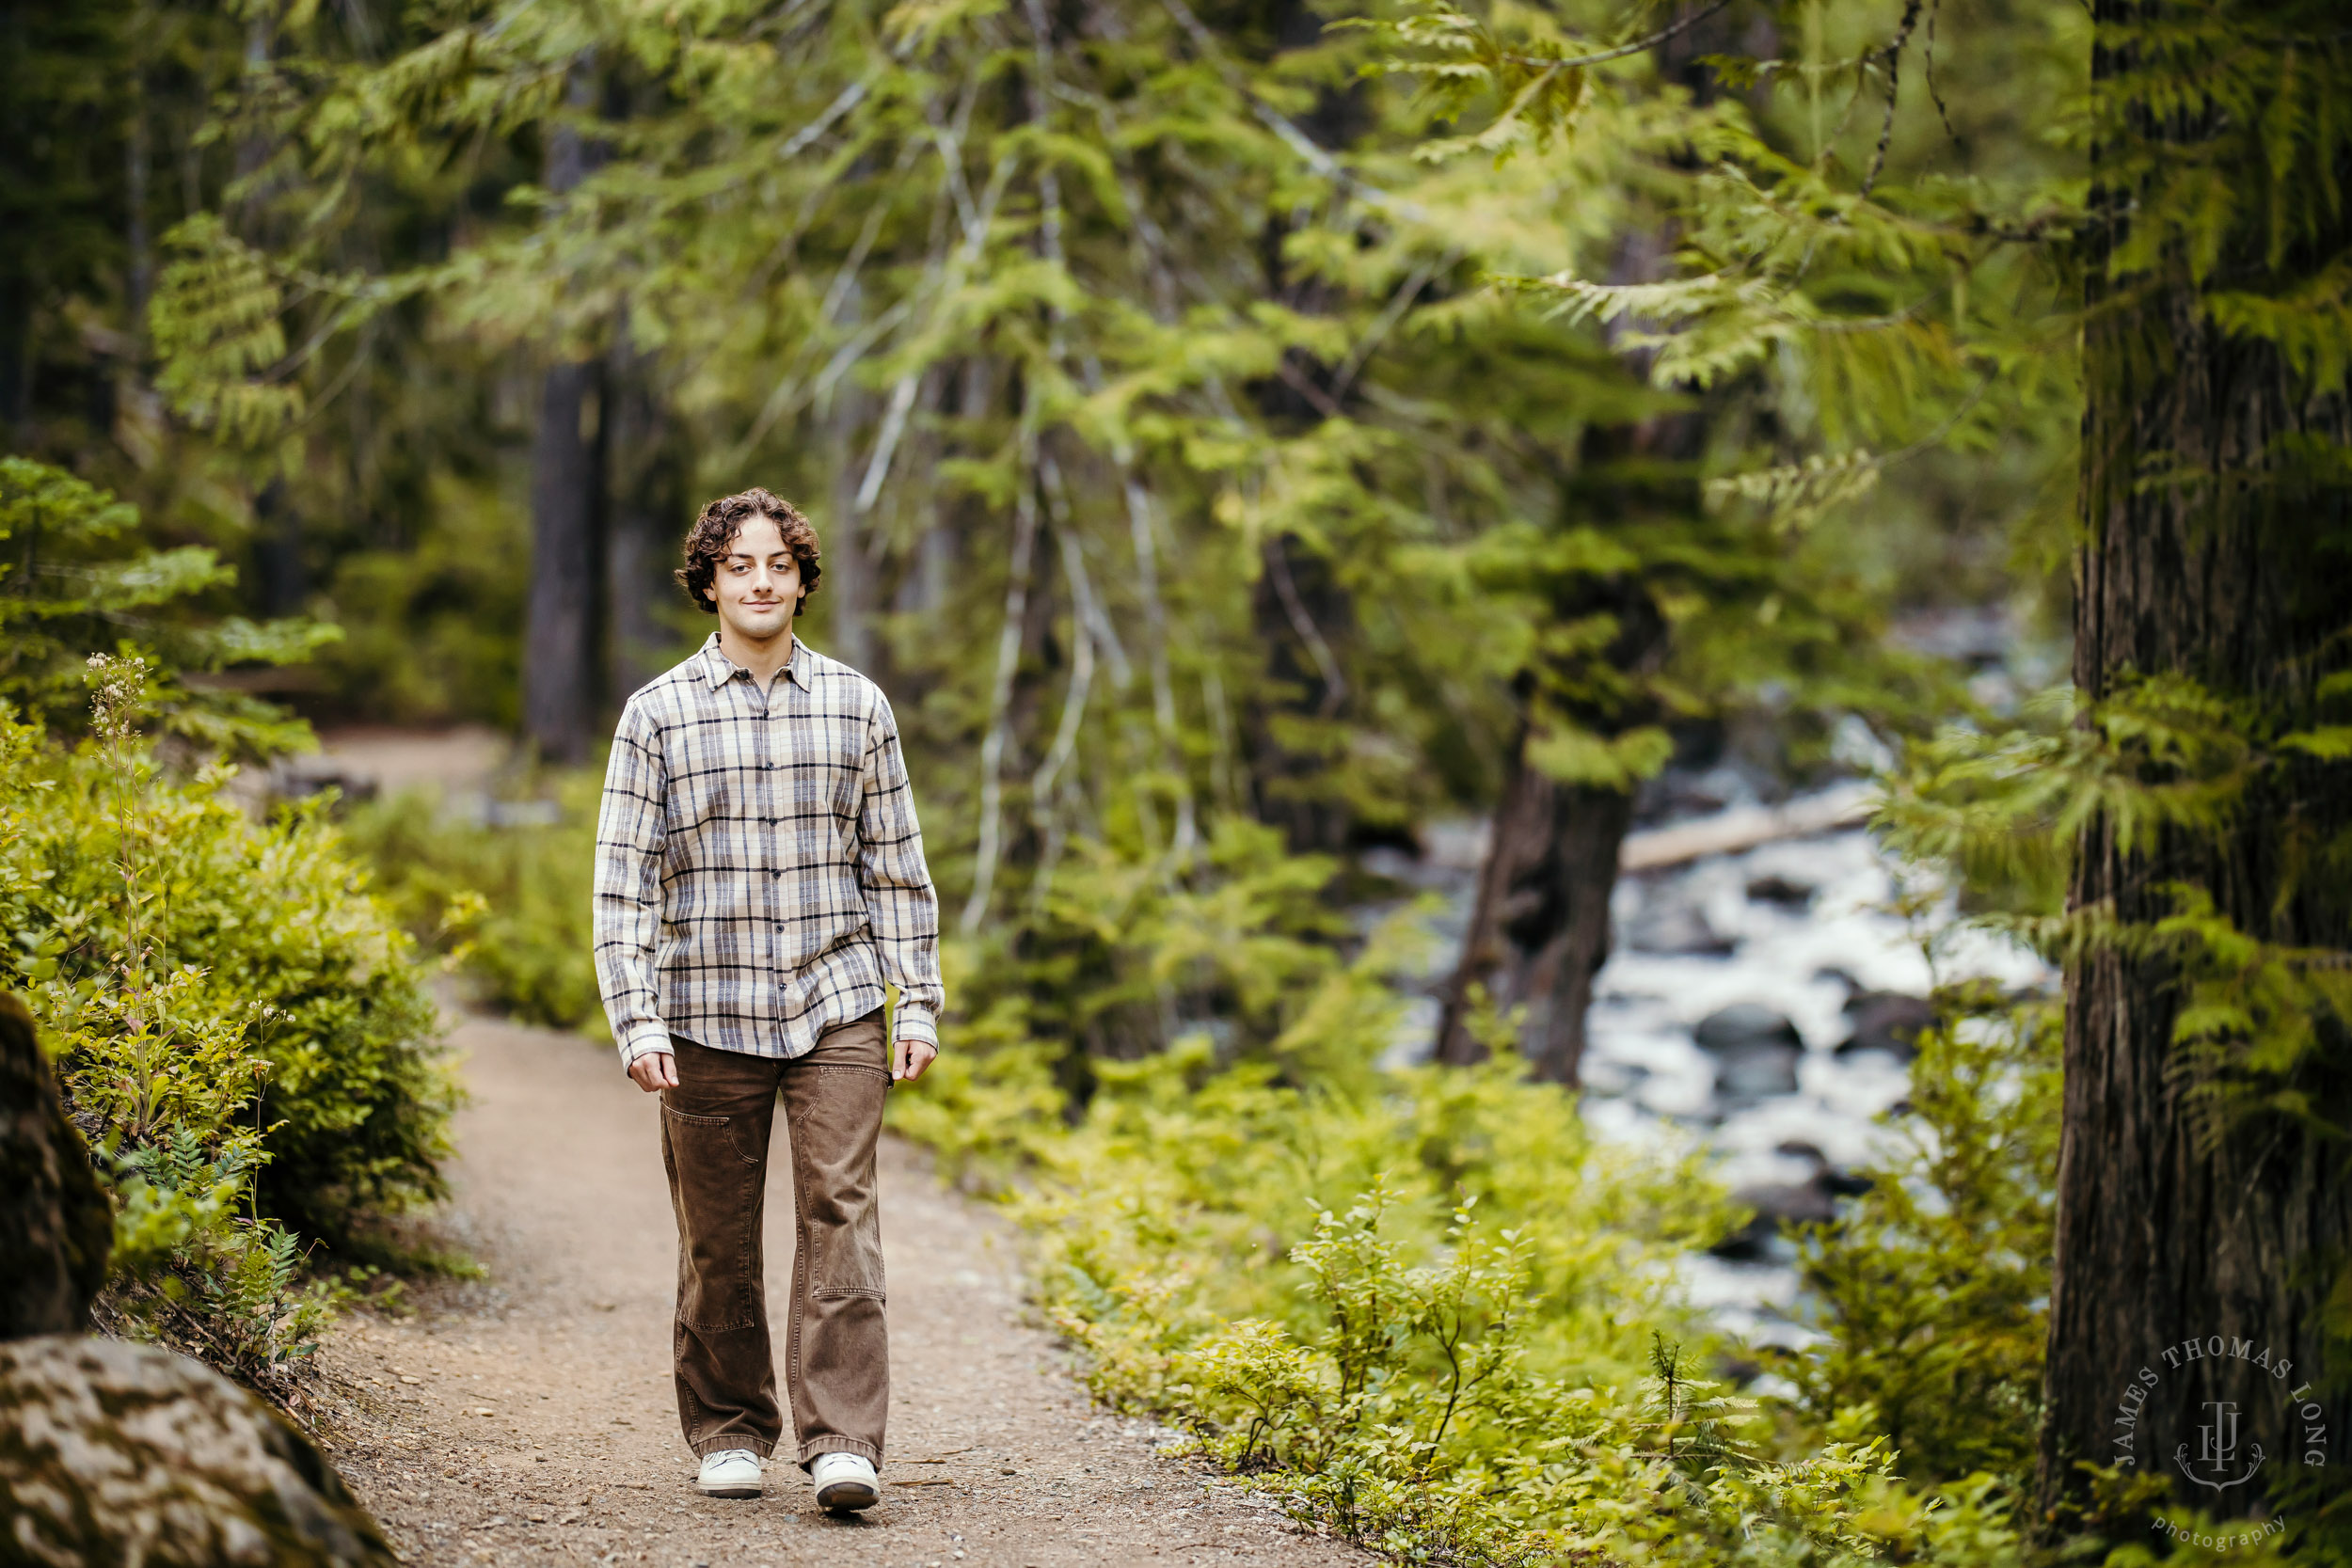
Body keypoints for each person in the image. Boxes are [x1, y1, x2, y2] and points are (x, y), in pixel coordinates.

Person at [592, 487, 942, 1512]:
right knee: (717, 1231)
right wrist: (637, 1014)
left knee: (841, 1214)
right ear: (707, 579)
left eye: (778, 564)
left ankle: (843, 1440)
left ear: (801, 580)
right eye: (739, 564)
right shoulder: (654, 714)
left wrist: (912, 1001)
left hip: (835, 1001)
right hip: (704, 1009)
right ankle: (731, 1426)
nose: (760, 580)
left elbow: (896, 869)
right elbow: (623, 881)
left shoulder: (856, 704)